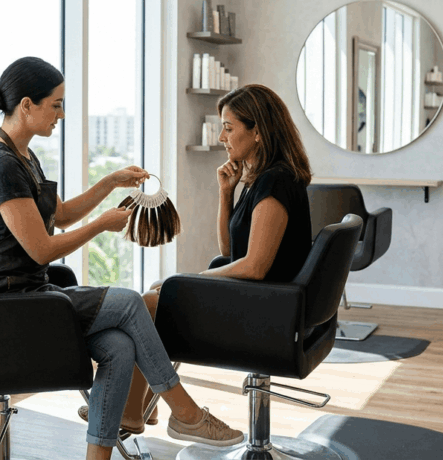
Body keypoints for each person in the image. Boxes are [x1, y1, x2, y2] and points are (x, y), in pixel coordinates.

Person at [0, 56, 242, 460]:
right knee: (131, 301)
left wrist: (111, 181)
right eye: (55, 104)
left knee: (117, 346)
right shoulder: (1, 166)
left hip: (30, 293)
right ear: (26, 105)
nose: (61, 114)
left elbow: (59, 217)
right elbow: (42, 248)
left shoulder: (23, 156)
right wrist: (102, 225)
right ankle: (184, 412)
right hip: (6, 303)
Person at [93, 83, 315, 433]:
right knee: (155, 293)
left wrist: (188, 282)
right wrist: (226, 194)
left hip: (269, 311)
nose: (222, 137)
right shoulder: (261, 179)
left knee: (149, 301)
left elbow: (254, 267)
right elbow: (230, 252)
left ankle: (133, 409)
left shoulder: (276, 182)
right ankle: (140, 408)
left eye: (229, 127)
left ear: (257, 131)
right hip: (267, 301)